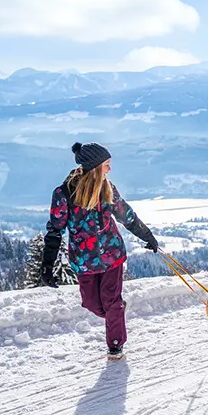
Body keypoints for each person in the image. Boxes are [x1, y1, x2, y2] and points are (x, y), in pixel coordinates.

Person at [40, 142, 159, 359]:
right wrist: (47, 265)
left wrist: (148, 236)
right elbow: (55, 230)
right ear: (95, 167)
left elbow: (127, 216)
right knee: (92, 304)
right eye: (106, 165)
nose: (110, 169)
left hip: (112, 256)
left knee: (111, 301)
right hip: (83, 261)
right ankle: (117, 312)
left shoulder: (108, 189)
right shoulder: (64, 194)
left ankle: (115, 344)